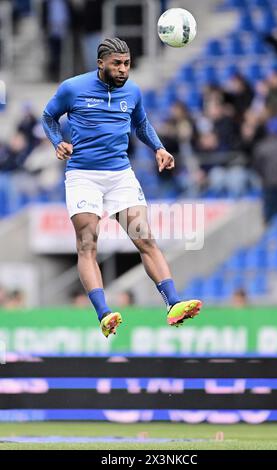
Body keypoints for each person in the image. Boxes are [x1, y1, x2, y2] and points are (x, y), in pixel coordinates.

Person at [42, 38, 202, 337]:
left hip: (120, 176)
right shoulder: (72, 88)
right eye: (117, 63)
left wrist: (158, 148)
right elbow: (48, 116)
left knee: (145, 239)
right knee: (88, 243)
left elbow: (141, 124)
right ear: (100, 62)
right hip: (83, 176)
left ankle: (173, 303)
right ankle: (104, 313)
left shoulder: (133, 91)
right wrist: (57, 142)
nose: (123, 69)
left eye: (127, 63)